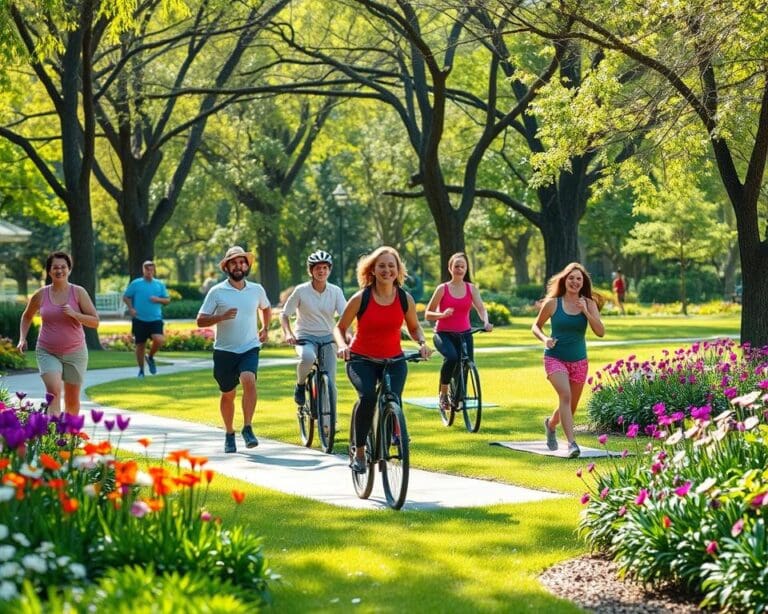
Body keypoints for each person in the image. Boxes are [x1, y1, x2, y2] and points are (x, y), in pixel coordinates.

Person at [334, 246, 431, 473]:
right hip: (361, 360)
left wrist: (423, 343)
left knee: (393, 398)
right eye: (382, 266)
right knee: (367, 397)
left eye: (391, 266)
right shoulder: (362, 298)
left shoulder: (405, 298)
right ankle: (359, 453)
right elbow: (339, 327)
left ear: (398, 270)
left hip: (394, 359)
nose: (387, 270)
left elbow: (415, 328)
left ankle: (395, 430)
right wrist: (342, 346)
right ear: (373, 270)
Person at [197, 246, 272, 453]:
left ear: (247, 265)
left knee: (249, 379)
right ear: (227, 267)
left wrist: (265, 328)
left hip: (249, 347)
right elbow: (200, 320)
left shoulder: (256, 289)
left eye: (242, 262)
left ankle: (247, 427)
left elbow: (265, 308)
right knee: (228, 394)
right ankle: (229, 432)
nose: (239, 266)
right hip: (224, 351)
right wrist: (220, 317)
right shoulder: (217, 292)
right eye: (234, 263)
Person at [531, 262, 605, 458]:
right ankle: (572, 444)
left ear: (583, 282)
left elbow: (600, 332)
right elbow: (536, 326)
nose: (574, 282)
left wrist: (586, 312)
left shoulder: (589, 303)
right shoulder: (553, 303)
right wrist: (545, 339)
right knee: (565, 395)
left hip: (579, 361)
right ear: (565, 280)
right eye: (571, 278)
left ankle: (551, 424)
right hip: (555, 358)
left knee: (570, 407)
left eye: (578, 279)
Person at [16, 251, 100, 416]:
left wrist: (75, 315)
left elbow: (95, 321)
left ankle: (69, 437)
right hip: (47, 351)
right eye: (55, 267)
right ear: (49, 271)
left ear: (69, 269)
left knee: (72, 399)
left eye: (63, 267)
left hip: (76, 352)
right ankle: (54, 436)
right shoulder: (41, 294)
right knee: (53, 392)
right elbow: (26, 317)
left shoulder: (78, 292)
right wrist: (22, 338)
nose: (59, 270)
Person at [424, 252, 493, 413]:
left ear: (466, 269)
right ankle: (444, 393)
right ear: (450, 268)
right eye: (456, 266)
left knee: (466, 365)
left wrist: (486, 322)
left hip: (465, 334)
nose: (459, 269)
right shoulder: (442, 289)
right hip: (443, 334)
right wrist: (442, 315)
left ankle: (458, 398)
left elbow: (481, 308)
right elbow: (428, 313)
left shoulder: (471, 289)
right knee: (452, 358)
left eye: (463, 266)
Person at [280, 250, 347, 407]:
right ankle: (300, 385)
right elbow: (284, 315)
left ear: (329, 270)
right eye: (317, 268)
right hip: (305, 336)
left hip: (328, 338)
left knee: (330, 381)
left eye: (325, 267)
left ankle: (328, 424)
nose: (321, 271)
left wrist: (346, 336)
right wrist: (288, 333)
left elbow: (345, 315)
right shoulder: (301, 291)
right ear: (311, 271)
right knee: (308, 358)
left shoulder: (336, 291)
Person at [123, 260, 170, 378]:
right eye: (146, 269)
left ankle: (150, 357)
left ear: (154, 270)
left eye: (151, 269)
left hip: (155, 318)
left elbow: (167, 300)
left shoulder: (159, 284)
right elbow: (126, 297)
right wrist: (131, 308)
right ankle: (141, 371)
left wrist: (157, 299)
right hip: (139, 319)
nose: (149, 272)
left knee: (159, 339)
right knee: (140, 345)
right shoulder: (136, 284)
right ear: (143, 270)